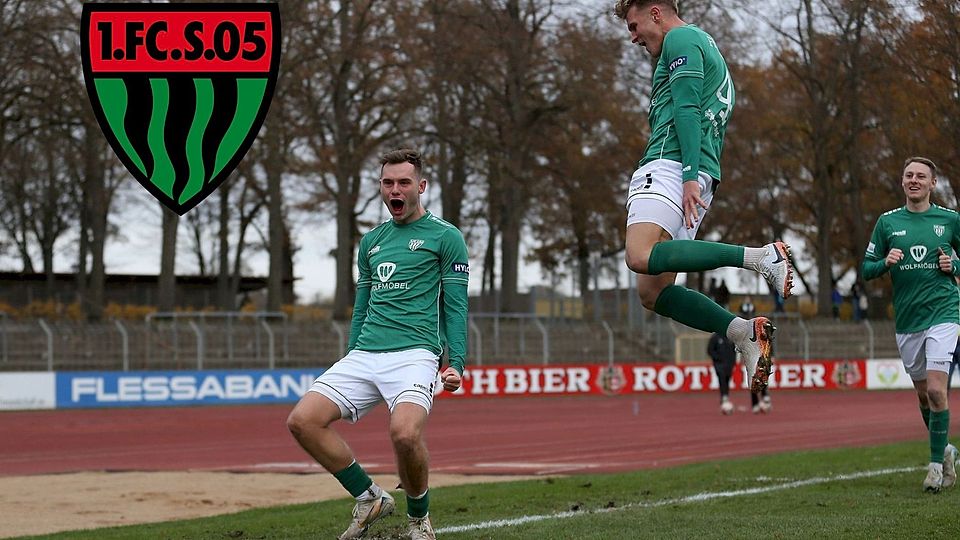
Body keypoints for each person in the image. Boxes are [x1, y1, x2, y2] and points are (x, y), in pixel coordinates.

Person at [613, 0, 794, 394]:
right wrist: (698, 175)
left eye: (634, 25)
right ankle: (742, 331)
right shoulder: (706, 45)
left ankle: (761, 258)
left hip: (670, 165)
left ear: (656, 12)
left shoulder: (680, 38)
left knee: (638, 255)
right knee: (653, 292)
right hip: (700, 173)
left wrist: (689, 174)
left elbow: (688, 108)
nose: (633, 38)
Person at [287, 148, 469, 539]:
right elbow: (361, 306)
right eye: (388, 183)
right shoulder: (371, 242)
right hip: (365, 353)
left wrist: (457, 362)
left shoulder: (446, 237)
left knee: (404, 434)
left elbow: (456, 305)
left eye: (404, 182)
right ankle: (369, 497)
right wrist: (352, 351)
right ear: (381, 189)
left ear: (421, 186)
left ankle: (419, 520)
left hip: (415, 355)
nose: (395, 190)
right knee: (303, 421)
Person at [862, 156, 958, 493]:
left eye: (921, 176)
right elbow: (865, 268)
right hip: (907, 320)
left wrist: (954, 262)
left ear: (933, 184)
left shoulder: (950, 220)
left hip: (944, 313)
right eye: (908, 175)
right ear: (902, 182)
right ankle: (945, 451)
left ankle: (934, 468)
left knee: (936, 389)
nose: (914, 180)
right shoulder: (887, 223)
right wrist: (883, 263)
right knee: (922, 396)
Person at [707, 331, 737, 414]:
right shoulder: (715, 337)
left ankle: (725, 396)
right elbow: (710, 350)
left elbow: (734, 350)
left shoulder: (730, 337)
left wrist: (733, 361)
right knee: (722, 378)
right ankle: (724, 397)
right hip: (719, 364)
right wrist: (718, 358)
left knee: (727, 379)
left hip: (729, 364)